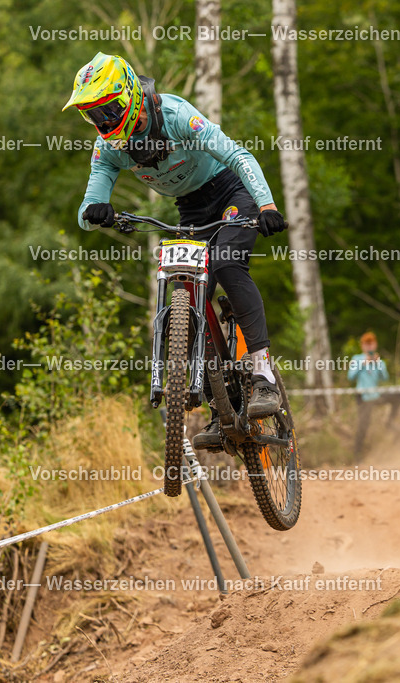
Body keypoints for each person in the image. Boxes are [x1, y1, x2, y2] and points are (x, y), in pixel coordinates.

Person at [63, 53, 287, 452]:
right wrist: (96, 212)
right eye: (94, 117)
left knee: (225, 263)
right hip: (189, 209)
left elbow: (238, 155)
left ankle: (262, 375)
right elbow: (85, 209)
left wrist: (267, 206)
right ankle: (223, 409)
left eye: (108, 110)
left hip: (231, 192)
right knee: (186, 283)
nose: (104, 123)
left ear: (130, 95)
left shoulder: (177, 115)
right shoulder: (109, 147)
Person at [347, 332, 400, 457]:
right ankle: (357, 455)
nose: (369, 347)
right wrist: (363, 363)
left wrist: (378, 363)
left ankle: (390, 421)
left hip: (376, 395)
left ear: (375, 345)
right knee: (363, 425)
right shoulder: (357, 359)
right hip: (363, 396)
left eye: (371, 344)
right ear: (362, 346)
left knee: (399, 395)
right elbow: (350, 376)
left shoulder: (379, 361)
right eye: (367, 344)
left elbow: (385, 378)